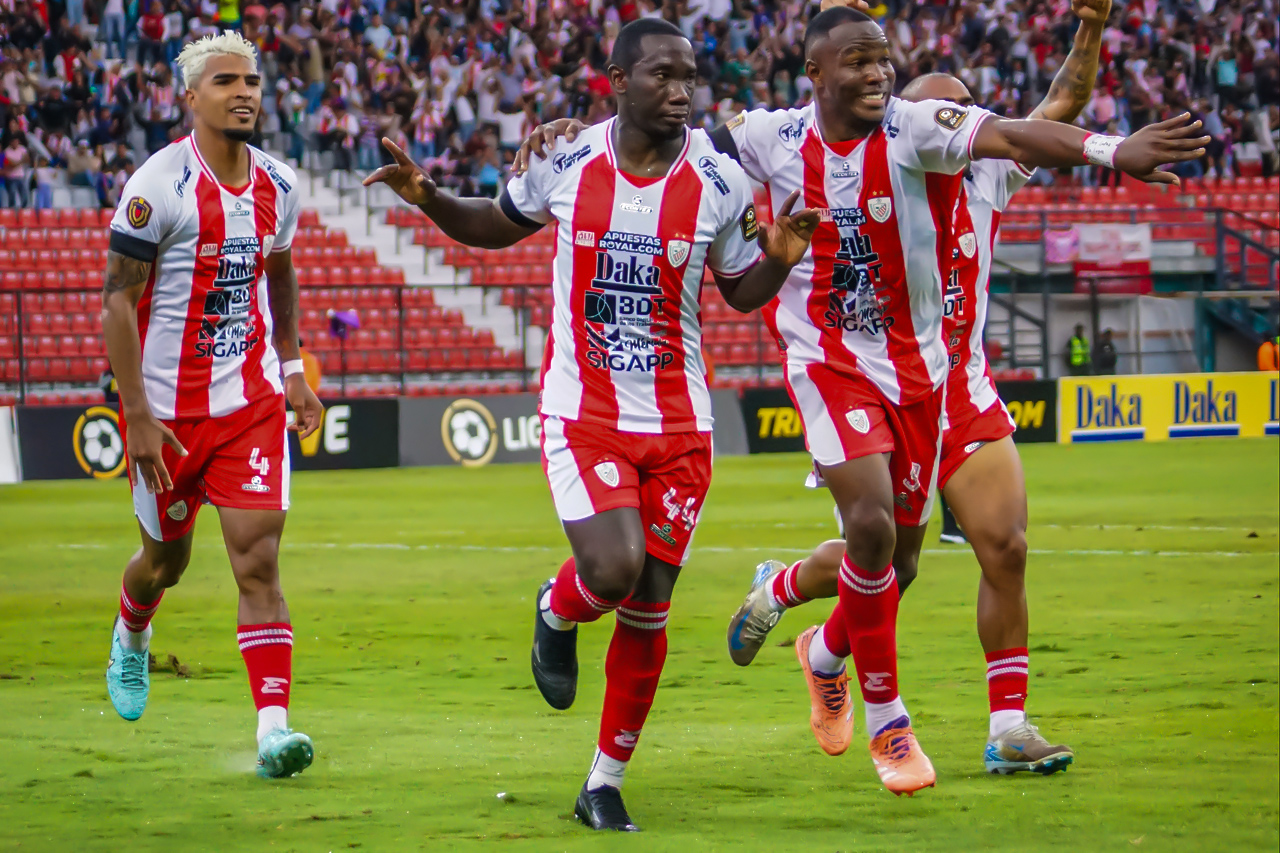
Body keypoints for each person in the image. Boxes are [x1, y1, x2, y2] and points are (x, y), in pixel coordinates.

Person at [515, 3, 1207, 795]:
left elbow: (1041, 121)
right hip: (836, 365)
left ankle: (828, 642)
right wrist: (574, 134)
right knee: (874, 530)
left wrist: (1095, 66)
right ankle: (901, 718)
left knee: (958, 554)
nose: (897, 92)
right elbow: (666, 139)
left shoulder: (973, 168)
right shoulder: (793, 137)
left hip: (950, 383)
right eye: (868, 68)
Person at [365, 17, 818, 832]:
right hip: (585, 413)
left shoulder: (718, 181)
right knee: (611, 571)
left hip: (682, 425)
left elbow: (741, 293)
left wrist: (779, 258)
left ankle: (602, 783)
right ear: (617, 79)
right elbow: (494, 227)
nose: (680, 91)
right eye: (661, 76)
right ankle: (557, 607)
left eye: (689, 77)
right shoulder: (565, 159)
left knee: (649, 606)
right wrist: (429, 196)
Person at [100, 32, 325, 781]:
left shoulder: (280, 185)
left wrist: (291, 368)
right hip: (166, 417)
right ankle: (132, 630)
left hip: (250, 404)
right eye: (226, 80)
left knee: (257, 558)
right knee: (165, 561)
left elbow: (282, 274)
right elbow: (116, 304)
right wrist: (135, 414)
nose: (245, 92)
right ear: (189, 97)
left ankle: (273, 730)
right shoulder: (156, 186)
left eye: (252, 81)